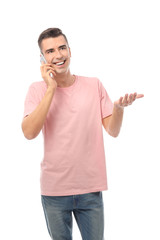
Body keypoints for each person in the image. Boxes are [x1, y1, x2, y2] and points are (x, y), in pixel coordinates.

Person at [21, 28, 144, 240]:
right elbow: (29, 132)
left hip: (90, 189)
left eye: (61, 48)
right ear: (42, 58)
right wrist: (51, 88)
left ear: (70, 50)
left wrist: (119, 109)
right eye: (50, 51)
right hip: (54, 191)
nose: (58, 55)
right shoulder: (36, 89)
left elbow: (112, 131)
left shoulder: (93, 84)